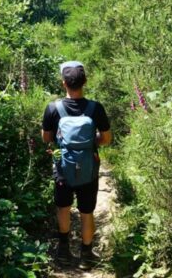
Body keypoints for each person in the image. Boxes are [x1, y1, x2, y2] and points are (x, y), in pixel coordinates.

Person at [42, 60, 112, 268]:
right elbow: (107, 138)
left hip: (62, 168)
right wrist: (90, 144)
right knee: (86, 211)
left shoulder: (53, 108)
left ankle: (63, 250)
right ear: (85, 82)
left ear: (64, 83)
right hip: (88, 168)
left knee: (63, 207)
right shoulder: (95, 108)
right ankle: (87, 255)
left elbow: (46, 138)